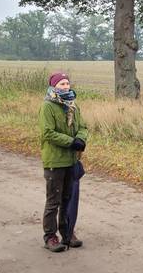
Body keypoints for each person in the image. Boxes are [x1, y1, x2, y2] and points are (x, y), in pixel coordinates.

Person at [39, 72, 88, 252]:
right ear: (54, 87)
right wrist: (71, 141)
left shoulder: (73, 105)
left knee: (68, 198)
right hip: (55, 160)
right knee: (54, 200)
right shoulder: (48, 106)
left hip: (71, 160)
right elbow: (48, 133)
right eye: (61, 84)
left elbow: (83, 126)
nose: (66, 87)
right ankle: (50, 237)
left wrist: (81, 139)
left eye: (67, 83)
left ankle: (68, 232)